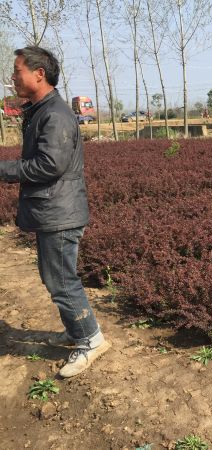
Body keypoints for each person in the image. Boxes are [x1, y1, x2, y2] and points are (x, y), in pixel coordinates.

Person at [0, 46, 110, 378]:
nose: (13, 76)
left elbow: (50, 165)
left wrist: (4, 169)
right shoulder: (40, 110)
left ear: (38, 74)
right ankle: (78, 330)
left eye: (17, 70)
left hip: (60, 211)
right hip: (54, 208)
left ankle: (91, 339)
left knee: (60, 279)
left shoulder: (55, 115)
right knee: (56, 276)